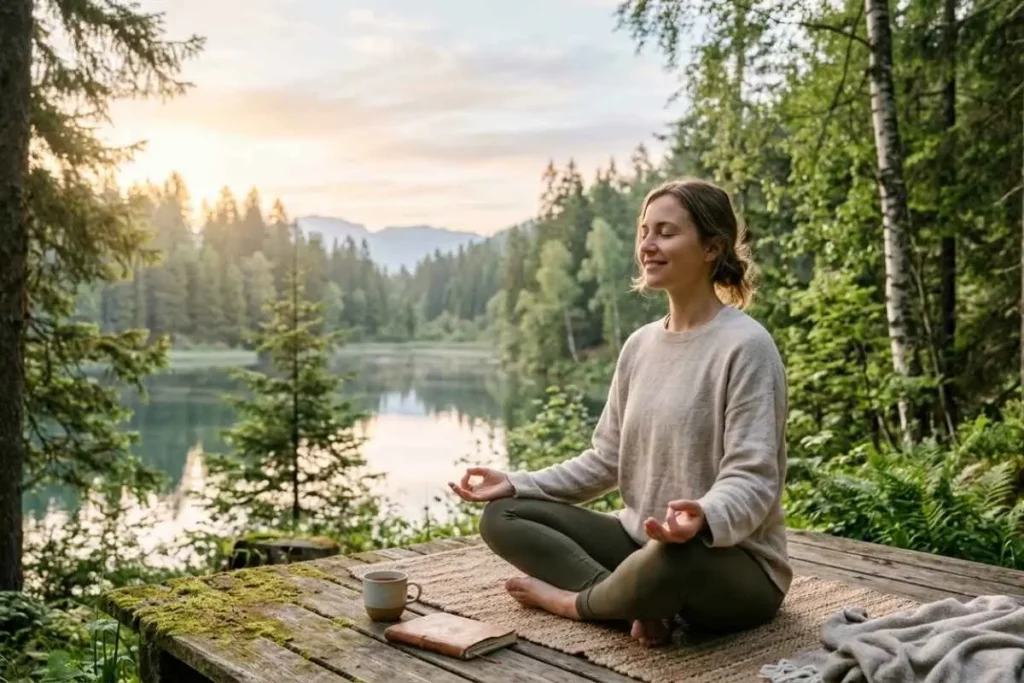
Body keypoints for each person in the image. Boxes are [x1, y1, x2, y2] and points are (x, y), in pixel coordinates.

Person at [448, 177, 791, 648]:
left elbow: (754, 479)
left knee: (673, 556)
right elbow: (607, 460)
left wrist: (703, 516)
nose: (648, 245)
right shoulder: (639, 346)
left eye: (666, 232)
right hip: (639, 543)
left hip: (728, 562)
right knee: (502, 516)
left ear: (712, 247)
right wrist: (517, 482)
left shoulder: (747, 347)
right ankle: (637, 603)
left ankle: (576, 603)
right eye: (644, 231)